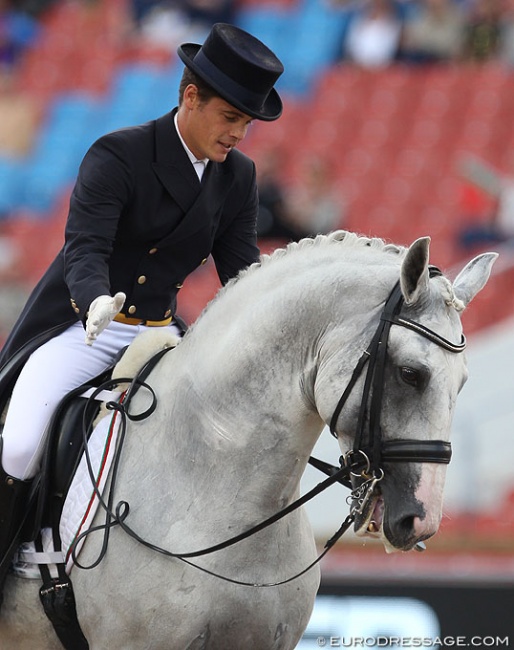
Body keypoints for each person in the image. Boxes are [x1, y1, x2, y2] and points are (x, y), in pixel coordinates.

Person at [0, 22, 283, 606]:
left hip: (160, 337)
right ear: (189, 97)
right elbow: (85, 246)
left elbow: (242, 278)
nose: (238, 133)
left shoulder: (239, 178)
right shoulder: (120, 153)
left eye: (246, 124)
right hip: (86, 325)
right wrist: (95, 297)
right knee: (21, 444)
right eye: (230, 117)